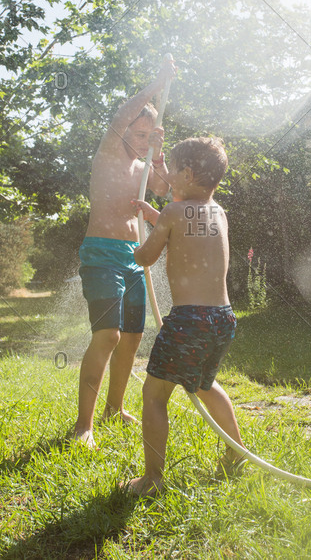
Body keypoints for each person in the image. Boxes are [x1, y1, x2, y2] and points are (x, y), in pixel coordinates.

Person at [125, 136, 246, 497]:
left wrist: (140, 240)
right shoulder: (218, 212)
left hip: (189, 320)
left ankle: (152, 480)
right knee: (203, 385)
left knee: (154, 396)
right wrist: (157, 216)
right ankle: (235, 451)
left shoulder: (175, 213)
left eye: (172, 170)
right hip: (222, 318)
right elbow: (191, 227)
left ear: (188, 173)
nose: (167, 178)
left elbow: (146, 257)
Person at [73, 59, 176, 448]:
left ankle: (114, 408)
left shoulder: (143, 164)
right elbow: (122, 113)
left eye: (151, 133)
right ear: (125, 131)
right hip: (101, 253)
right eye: (140, 132)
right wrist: (157, 82)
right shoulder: (109, 154)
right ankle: (84, 424)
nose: (144, 139)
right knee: (108, 336)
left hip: (136, 257)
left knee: (132, 338)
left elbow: (166, 192)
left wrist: (160, 154)